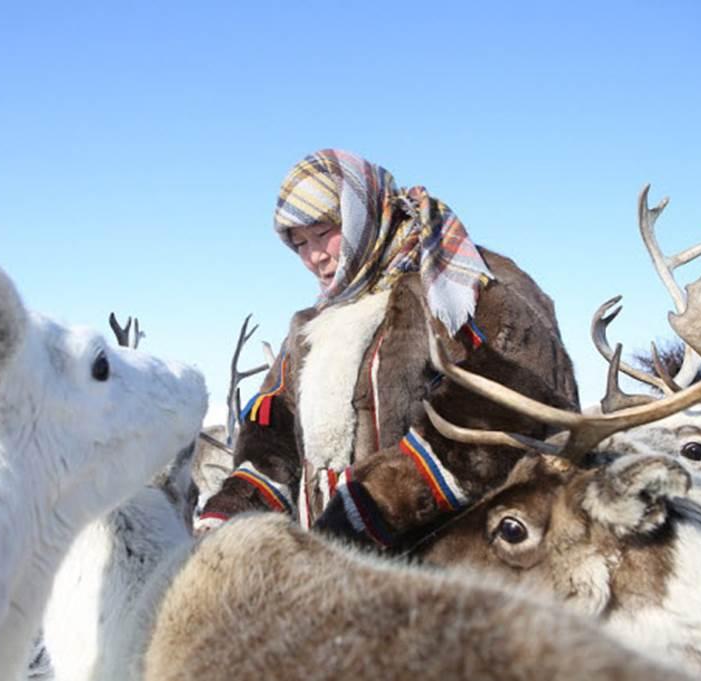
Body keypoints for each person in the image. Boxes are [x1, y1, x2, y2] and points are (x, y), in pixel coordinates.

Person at [196, 149, 579, 550]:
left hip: (457, 562)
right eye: (299, 243)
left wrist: (373, 506)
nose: (315, 256)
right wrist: (231, 511)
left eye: (324, 232)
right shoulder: (313, 326)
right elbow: (275, 433)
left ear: (361, 214)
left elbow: (515, 404)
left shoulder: (459, 283)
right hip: (335, 564)